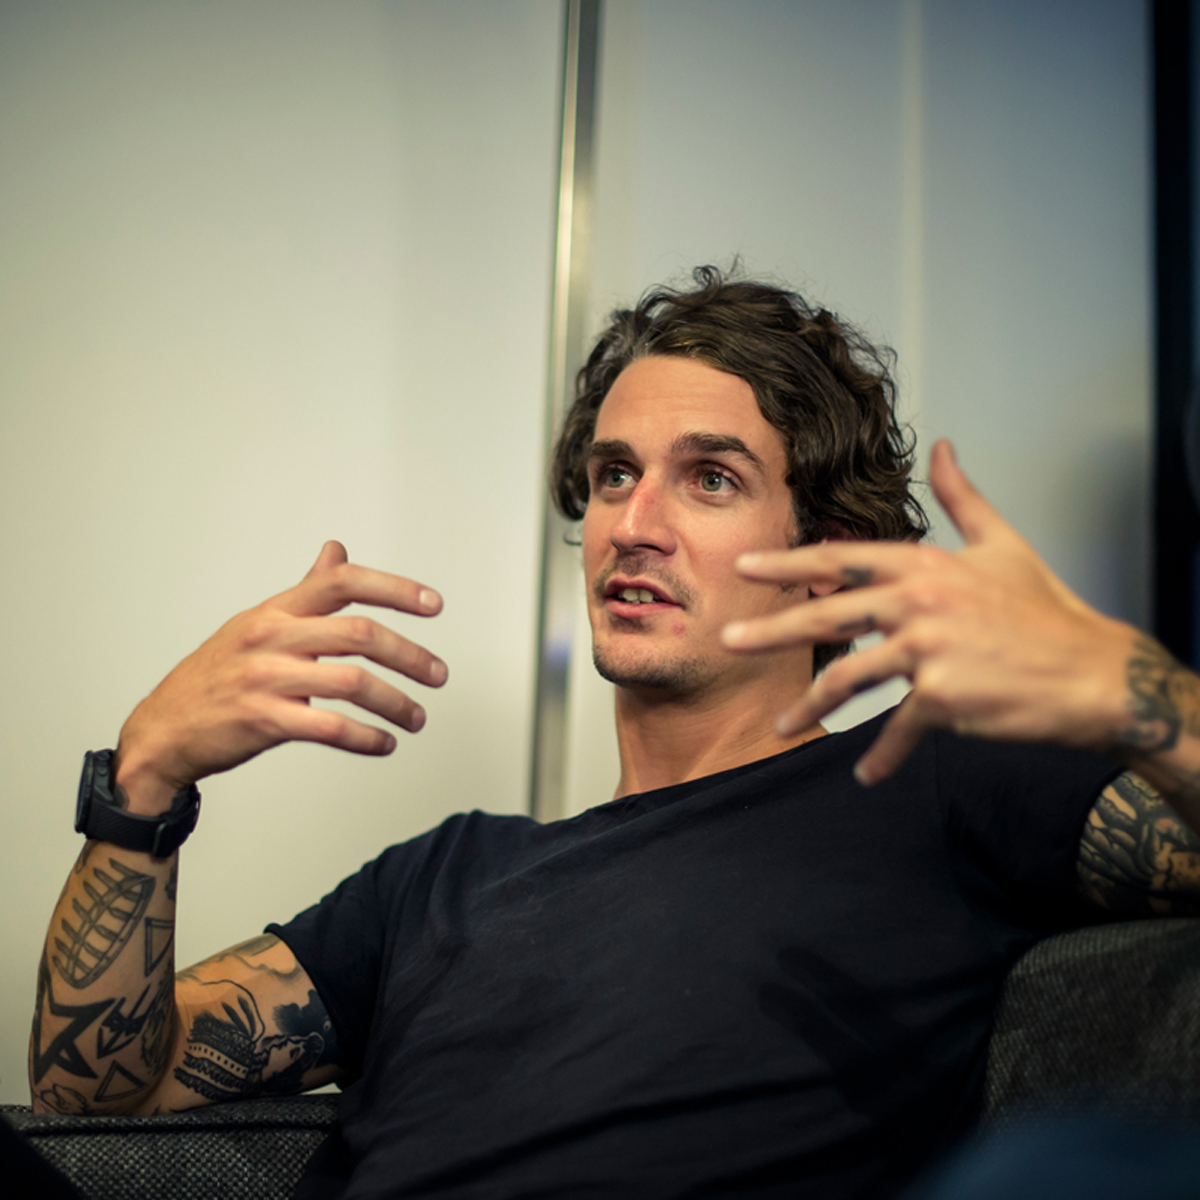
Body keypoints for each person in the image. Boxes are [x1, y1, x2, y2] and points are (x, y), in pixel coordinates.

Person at [28, 267, 1200, 1199]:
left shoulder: (933, 775)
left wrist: (1127, 683)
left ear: (827, 555)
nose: (633, 523)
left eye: (710, 479)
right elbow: (95, 1096)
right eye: (613, 474)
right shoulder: (444, 876)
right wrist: (144, 781)